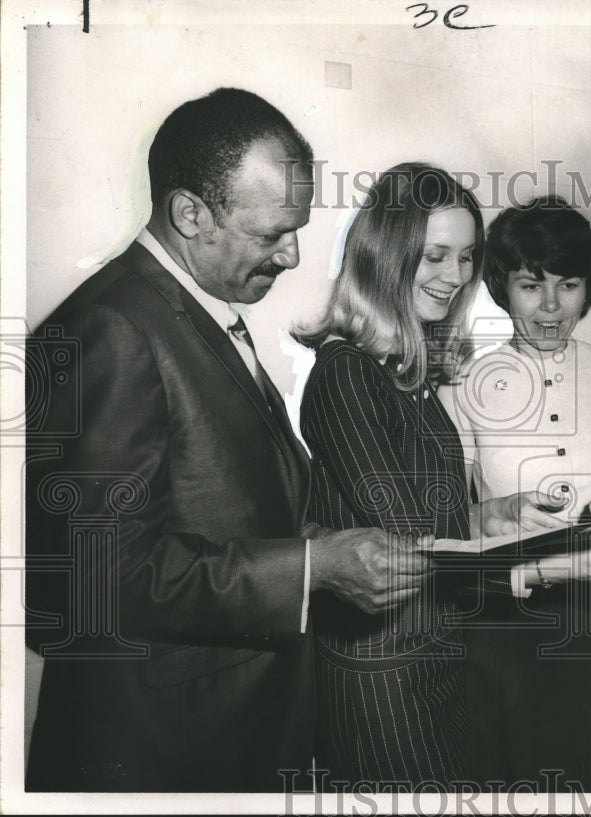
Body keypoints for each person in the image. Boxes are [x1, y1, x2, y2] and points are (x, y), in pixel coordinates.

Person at [24, 88, 425, 792]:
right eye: (272, 233)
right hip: (160, 759)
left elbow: (247, 511)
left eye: (295, 229)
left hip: (223, 739)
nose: (294, 254)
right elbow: (95, 579)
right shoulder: (112, 329)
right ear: (189, 214)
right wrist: (311, 568)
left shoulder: (190, 315)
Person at [295, 167, 591, 787]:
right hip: (385, 673)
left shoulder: (401, 374)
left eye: (464, 257)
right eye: (435, 255)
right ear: (386, 251)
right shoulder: (347, 371)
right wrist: (566, 565)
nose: (455, 275)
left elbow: (429, 517)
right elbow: (411, 554)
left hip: (431, 656)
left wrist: (493, 513)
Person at [438, 195, 591, 789]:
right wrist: (495, 516)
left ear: (588, 289)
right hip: (514, 632)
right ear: (501, 288)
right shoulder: (462, 385)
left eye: (568, 285)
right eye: (529, 285)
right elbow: (443, 526)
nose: (549, 306)